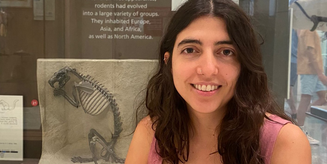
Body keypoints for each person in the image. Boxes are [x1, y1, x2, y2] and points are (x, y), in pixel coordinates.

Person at [126, 0, 311, 163]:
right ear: (169, 62)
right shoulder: (150, 134)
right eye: (190, 50)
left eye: (226, 52)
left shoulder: (285, 142)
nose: (207, 70)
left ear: (243, 65)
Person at [296, 29, 327, 145]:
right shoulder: (309, 30)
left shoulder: (310, 31)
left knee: (323, 97)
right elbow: (310, 51)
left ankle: (305, 113)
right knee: (305, 98)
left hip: (314, 70)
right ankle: (301, 131)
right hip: (310, 70)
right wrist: (320, 73)